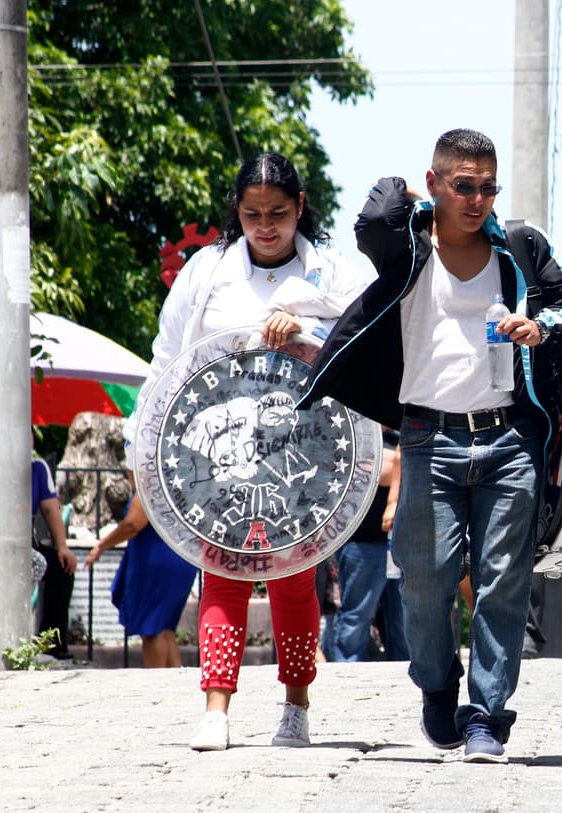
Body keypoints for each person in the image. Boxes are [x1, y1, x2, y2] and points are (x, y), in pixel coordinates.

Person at [298, 128, 562, 763]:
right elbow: (374, 211)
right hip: (427, 437)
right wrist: (412, 195)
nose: (478, 199)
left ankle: (488, 716)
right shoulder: (406, 246)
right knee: (424, 583)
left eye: (488, 187)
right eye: (464, 185)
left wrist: (541, 327)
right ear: (435, 184)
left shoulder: (519, 248)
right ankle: (437, 687)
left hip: (511, 437)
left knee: (503, 582)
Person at [123, 152, 369, 751]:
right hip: (216, 457)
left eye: (279, 214)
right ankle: (216, 707)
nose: (266, 226)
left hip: (306, 456)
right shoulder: (206, 272)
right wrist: (144, 444)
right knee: (222, 578)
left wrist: (305, 325)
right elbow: (166, 360)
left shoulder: (331, 271)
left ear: (300, 210)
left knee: (292, 583)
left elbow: (367, 327)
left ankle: (296, 703)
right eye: (253, 213)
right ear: (236, 212)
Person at [84, 477, 198, 668]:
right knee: (165, 628)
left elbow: (133, 524)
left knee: (151, 628)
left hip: (158, 564)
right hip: (177, 560)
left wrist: (101, 546)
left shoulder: (151, 484)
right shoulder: (173, 482)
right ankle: (176, 686)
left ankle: (157, 686)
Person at [323, 433, 401, 662]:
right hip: (361, 543)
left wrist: (393, 462)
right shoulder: (354, 437)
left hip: (398, 543)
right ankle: (346, 670)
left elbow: (395, 469)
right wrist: (397, 463)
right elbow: (385, 473)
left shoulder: (398, 436)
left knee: (403, 618)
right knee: (356, 617)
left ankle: (404, 671)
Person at [32, 456, 76, 659]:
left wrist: (62, 547)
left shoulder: (37, 468)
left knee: (61, 567)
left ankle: (51, 643)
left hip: (27, 544)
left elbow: (50, 508)